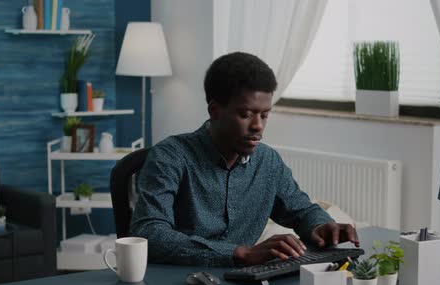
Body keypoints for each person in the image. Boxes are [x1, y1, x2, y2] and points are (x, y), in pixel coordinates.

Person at [130, 52, 359, 267]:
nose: (258, 126)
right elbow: (149, 232)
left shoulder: (267, 161)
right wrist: (239, 253)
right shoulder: (170, 156)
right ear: (215, 111)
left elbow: (301, 210)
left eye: (264, 114)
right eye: (246, 114)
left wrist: (320, 225)